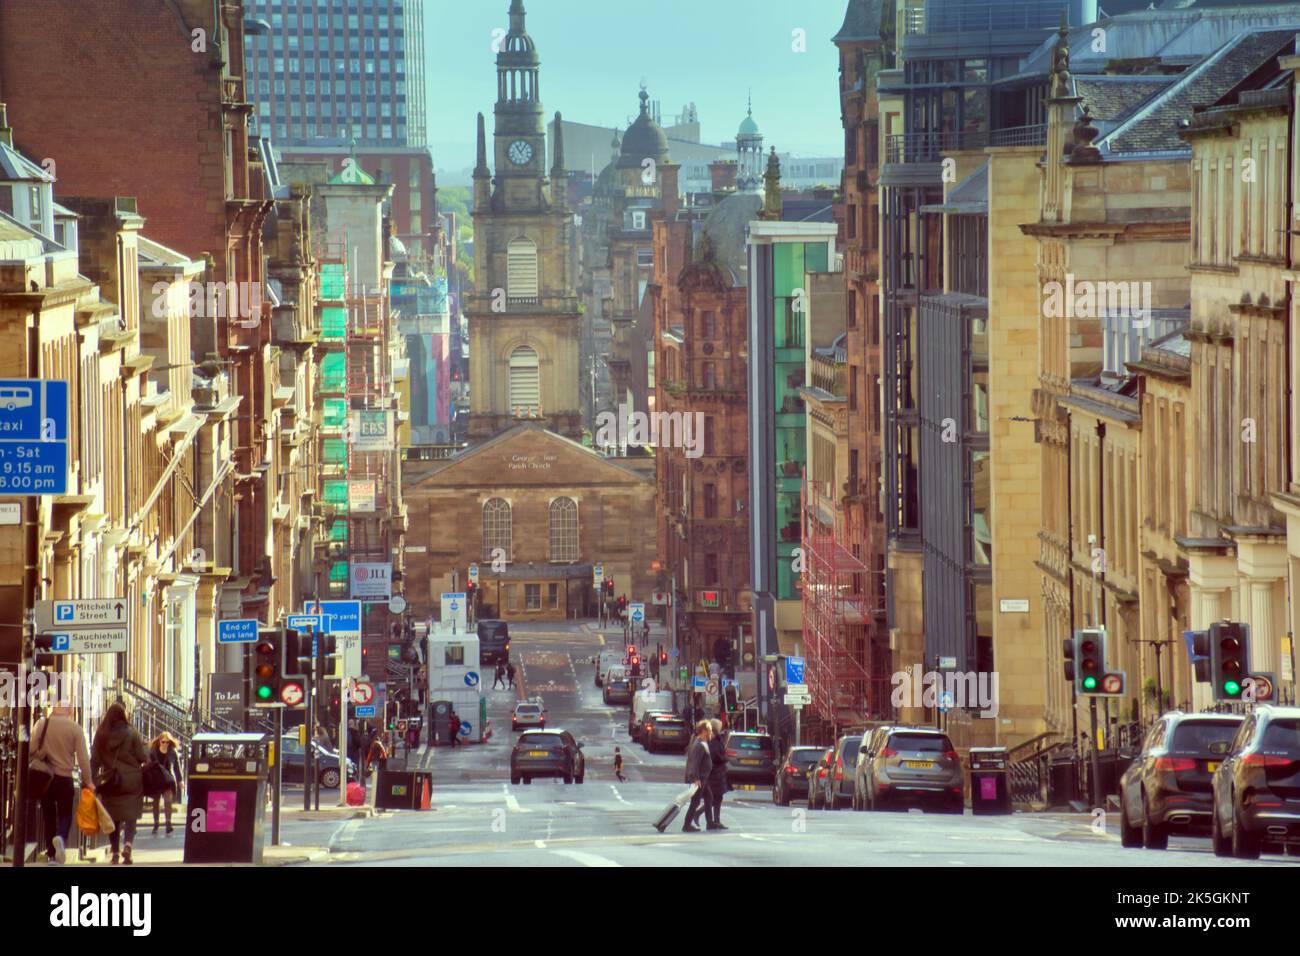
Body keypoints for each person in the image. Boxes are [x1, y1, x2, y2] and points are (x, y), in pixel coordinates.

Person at [30, 703, 93, 864]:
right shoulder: (75, 728)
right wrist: (88, 781)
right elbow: (83, 759)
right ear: (69, 711)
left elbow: (30, 749)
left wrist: (42, 753)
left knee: (48, 815)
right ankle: (61, 837)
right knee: (65, 814)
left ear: (54, 710)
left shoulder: (41, 724)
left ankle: (51, 854)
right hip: (65, 777)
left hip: (46, 777)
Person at [91, 701, 149, 865]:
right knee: (131, 815)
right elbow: (142, 757)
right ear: (123, 716)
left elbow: (95, 760)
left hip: (111, 781)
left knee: (113, 817)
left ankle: (115, 852)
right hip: (132, 780)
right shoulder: (132, 733)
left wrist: (91, 779)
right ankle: (128, 844)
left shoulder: (101, 735)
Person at [148, 731, 183, 836]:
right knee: (156, 802)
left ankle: (168, 823)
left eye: (168, 742)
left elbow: (177, 767)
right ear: (159, 741)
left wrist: (180, 780)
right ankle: (156, 823)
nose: (165, 744)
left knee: (168, 801)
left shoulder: (172, 752)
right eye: (163, 742)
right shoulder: (153, 751)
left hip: (168, 780)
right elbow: (149, 765)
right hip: (156, 780)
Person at [682, 720, 713, 832]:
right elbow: (695, 763)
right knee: (695, 801)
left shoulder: (702, 743)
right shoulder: (699, 745)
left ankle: (710, 823)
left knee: (709, 797)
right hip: (700, 778)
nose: (711, 733)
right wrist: (696, 778)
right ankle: (686, 825)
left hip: (704, 777)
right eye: (709, 731)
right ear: (704, 731)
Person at [706, 718, 729, 830]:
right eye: (720, 726)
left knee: (716, 798)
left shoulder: (715, 739)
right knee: (716, 798)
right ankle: (714, 821)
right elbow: (715, 755)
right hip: (716, 773)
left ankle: (715, 821)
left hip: (717, 773)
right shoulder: (715, 740)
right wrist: (725, 758)